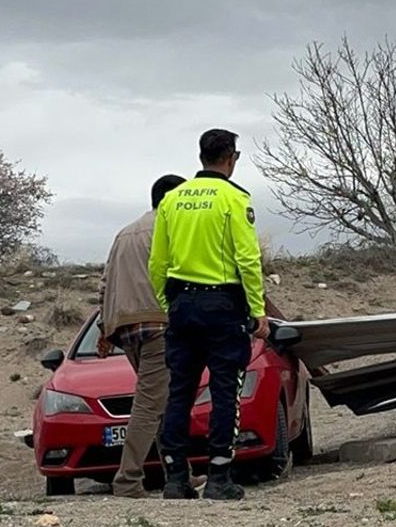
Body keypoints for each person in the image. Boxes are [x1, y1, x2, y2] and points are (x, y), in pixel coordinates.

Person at [149, 128, 269, 501]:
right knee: (223, 391)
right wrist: (258, 310)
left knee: (179, 392)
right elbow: (247, 259)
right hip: (222, 305)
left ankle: (175, 478)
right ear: (230, 158)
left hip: (182, 304)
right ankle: (218, 476)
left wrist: (170, 305)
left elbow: (157, 263)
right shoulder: (234, 198)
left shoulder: (172, 200)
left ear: (201, 155)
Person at [96, 174, 186, 498]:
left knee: (162, 402)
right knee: (150, 405)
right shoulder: (171, 229)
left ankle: (178, 474)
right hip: (159, 326)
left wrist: (105, 330)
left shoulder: (124, 234)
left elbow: (104, 285)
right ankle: (128, 480)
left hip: (127, 329)